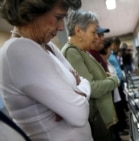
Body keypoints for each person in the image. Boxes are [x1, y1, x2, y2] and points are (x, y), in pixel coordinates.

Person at [0, 0, 93, 141]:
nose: (62, 27)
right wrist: (77, 90)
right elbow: (79, 114)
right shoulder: (17, 49)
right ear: (32, 12)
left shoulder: (47, 46)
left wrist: (79, 91)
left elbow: (82, 80)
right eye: (58, 17)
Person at [61, 10, 119, 141]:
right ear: (78, 31)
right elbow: (91, 88)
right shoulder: (72, 52)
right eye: (93, 32)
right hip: (96, 120)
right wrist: (114, 81)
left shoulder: (82, 51)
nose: (97, 37)